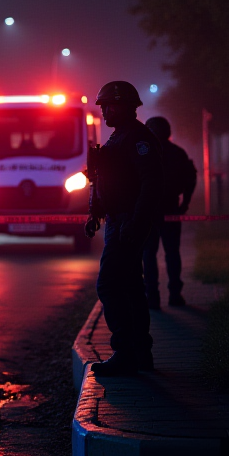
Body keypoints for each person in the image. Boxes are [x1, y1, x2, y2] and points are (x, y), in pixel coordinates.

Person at [82, 81, 161, 376]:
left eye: (109, 106)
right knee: (130, 286)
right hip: (118, 219)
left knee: (110, 285)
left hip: (127, 221)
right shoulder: (119, 138)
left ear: (127, 107)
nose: (104, 112)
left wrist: (136, 221)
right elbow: (105, 179)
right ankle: (139, 353)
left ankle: (126, 352)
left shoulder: (139, 139)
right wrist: (96, 212)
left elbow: (150, 184)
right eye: (102, 106)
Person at [141, 116, 197, 309]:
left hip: (148, 211)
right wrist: (185, 204)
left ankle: (152, 297)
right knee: (172, 253)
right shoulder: (178, 153)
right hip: (171, 209)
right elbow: (190, 179)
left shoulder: (142, 154)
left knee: (148, 254)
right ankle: (175, 295)